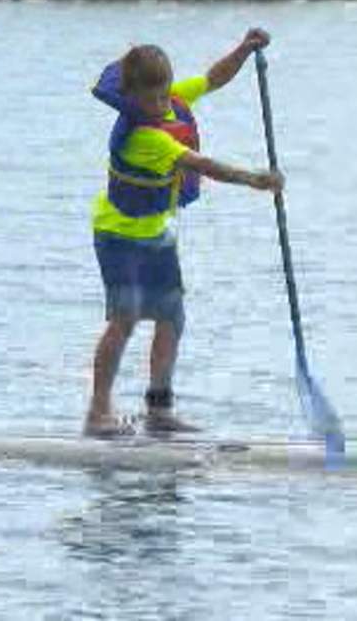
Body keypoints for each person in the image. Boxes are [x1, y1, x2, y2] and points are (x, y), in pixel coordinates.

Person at [85, 28, 282, 437]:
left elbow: (213, 78)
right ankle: (97, 413)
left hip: (155, 232)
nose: (158, 106)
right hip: (118, 235)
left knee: (171, 317)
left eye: (163, 96)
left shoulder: (172, 102)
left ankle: (159, 410)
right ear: (130, 97)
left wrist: (243, 51)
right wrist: (254, 180)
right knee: (124, 319)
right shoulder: (144, 136)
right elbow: (201, 164)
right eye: (149, 100)